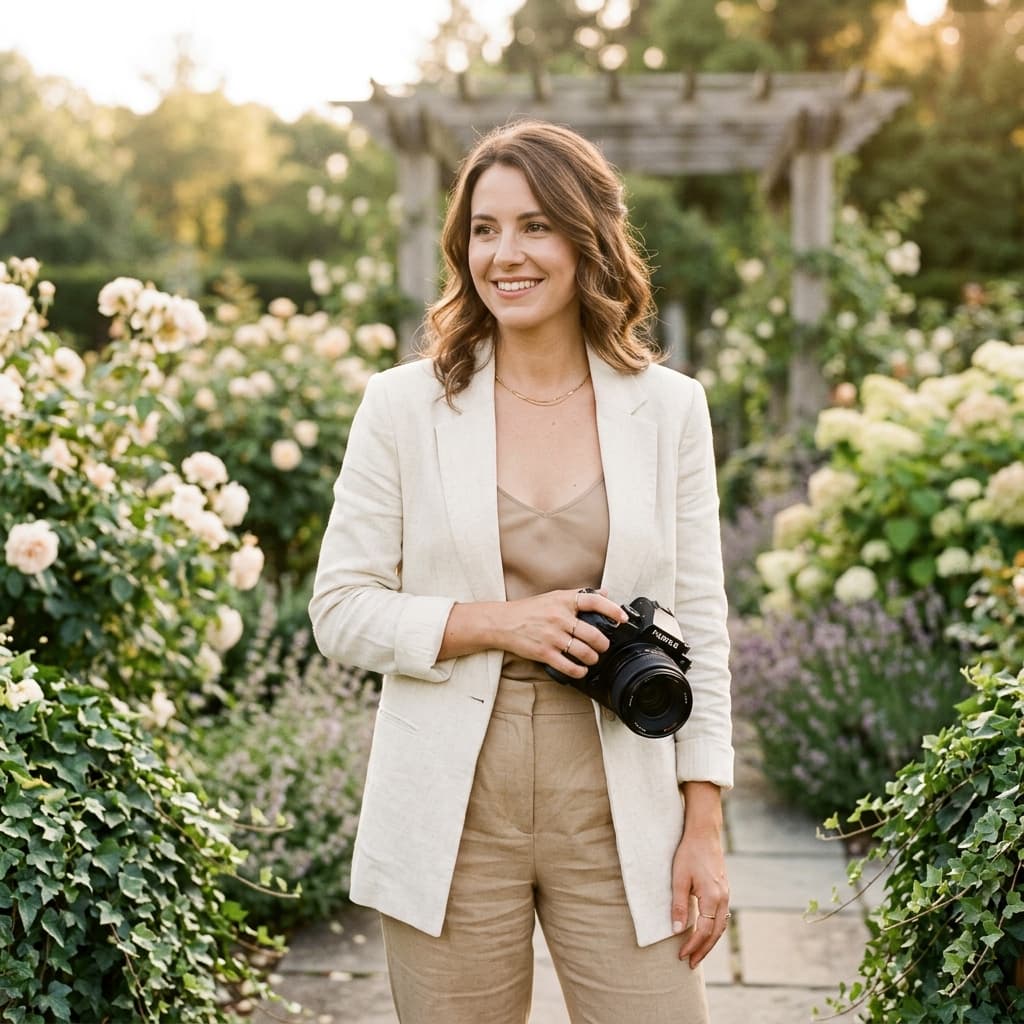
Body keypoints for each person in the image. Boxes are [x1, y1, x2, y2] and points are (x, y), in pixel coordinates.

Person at [309, 119, 733, 1024]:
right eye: (485, 228)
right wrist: (498, 622)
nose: (507, 253)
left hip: (623, 793)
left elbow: (702, 622)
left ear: (587, 241)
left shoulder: (670, 410)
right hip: (450, 806)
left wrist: (704, 825)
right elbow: (340, 609)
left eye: (536, 226)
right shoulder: (402, 406)